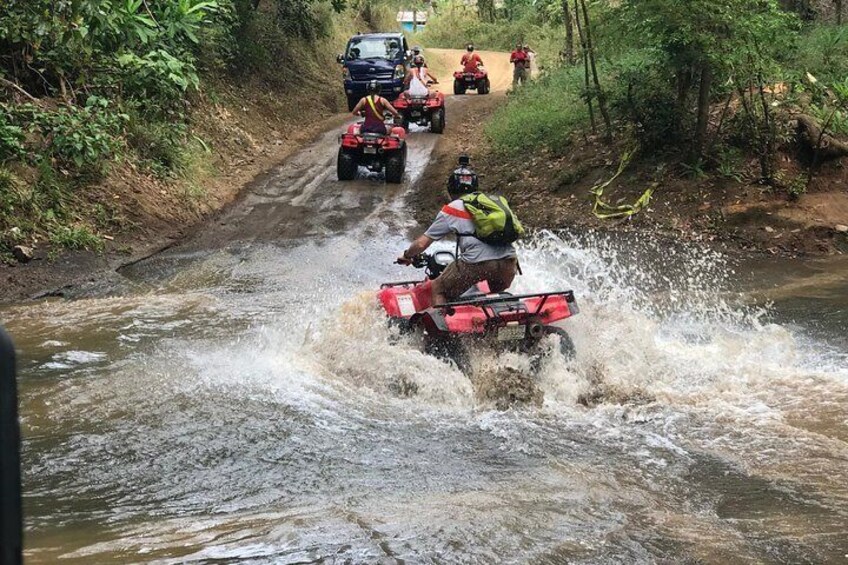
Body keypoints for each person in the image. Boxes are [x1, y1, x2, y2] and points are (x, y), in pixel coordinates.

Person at [398, 155, 518, 305]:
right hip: (508, 263)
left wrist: (407, 255)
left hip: (477, 263)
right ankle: (496, 322)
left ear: (451, 188)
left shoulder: (453, 209)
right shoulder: (491, 203)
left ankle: (443, 325)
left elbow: (421, 244)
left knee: (439, 288)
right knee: (492, 295)